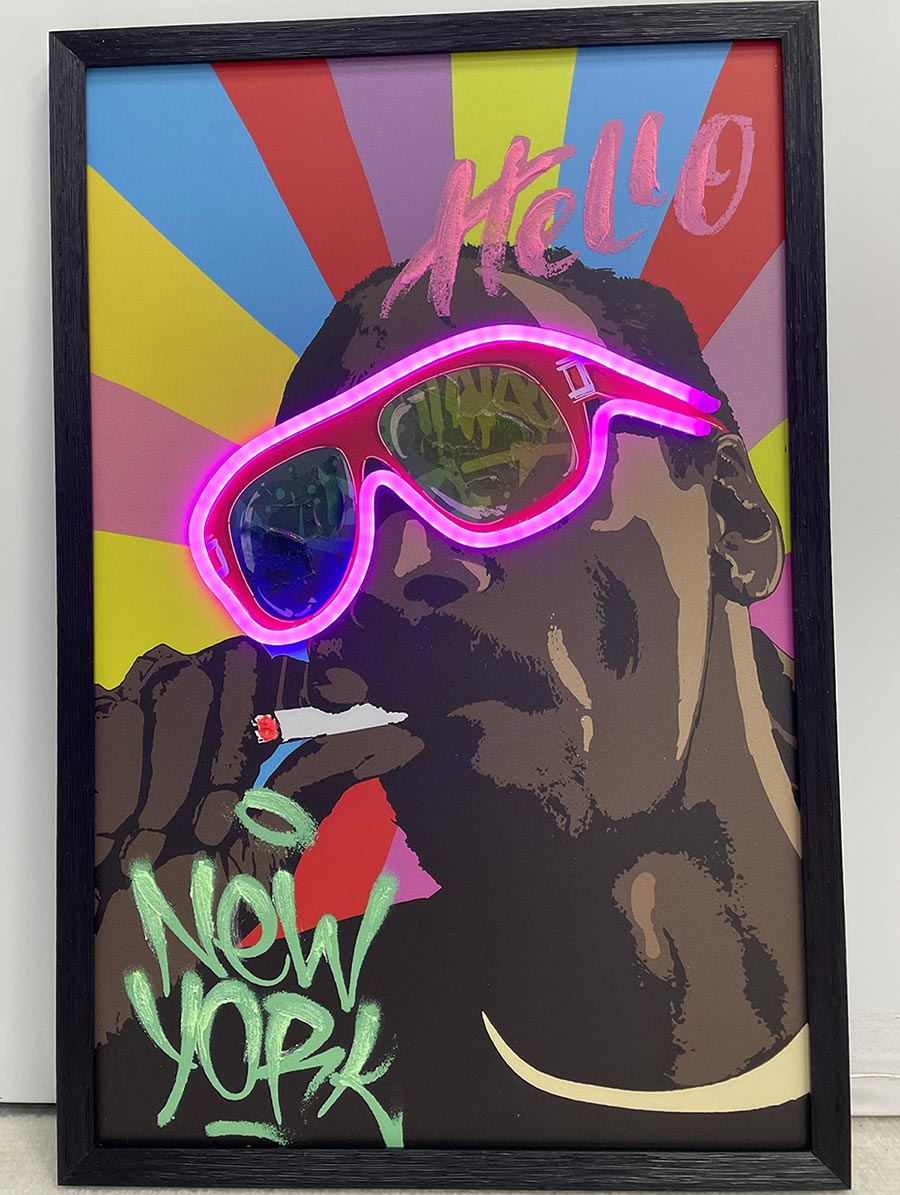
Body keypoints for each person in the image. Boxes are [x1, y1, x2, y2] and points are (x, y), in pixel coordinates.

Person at [93, 248, 807, 1149]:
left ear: (735, 521)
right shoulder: (264, 1072)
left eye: (495, 449)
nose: (394, 569)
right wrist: (131, 1009)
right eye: (310, 531)